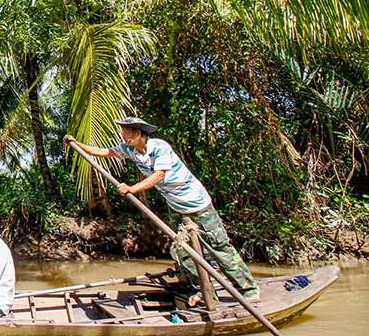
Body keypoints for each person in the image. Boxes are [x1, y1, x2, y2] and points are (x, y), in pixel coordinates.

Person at [65, 116, 260, 302]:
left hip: (197, 204)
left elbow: (159, 175)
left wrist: (132, 189)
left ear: (140, 134)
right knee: (182, 250)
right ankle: (204, 290)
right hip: (175, 207)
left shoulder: (159, 147)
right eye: (123, 134)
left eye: (128, 135)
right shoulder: (130, 149)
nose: (124, 138)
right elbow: (105, 152)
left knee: (219, 248)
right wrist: (77, 144)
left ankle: (248, 289)